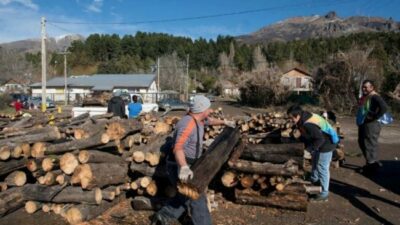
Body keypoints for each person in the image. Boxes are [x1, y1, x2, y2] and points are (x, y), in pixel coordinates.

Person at [151, 95, 236, 225]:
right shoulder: (187, 124)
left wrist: (224, 122)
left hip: (190, 164)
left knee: (183, 197)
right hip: (179, 165)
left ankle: (162, 217)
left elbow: (209, 120)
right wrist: (184, 167)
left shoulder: (199, 118)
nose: (210, 110)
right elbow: (178, 148)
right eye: (208, 108)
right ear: (201, 109)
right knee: (196, 198)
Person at [287, 105, 339, 202]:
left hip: (327, 143)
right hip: (319, 142)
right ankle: (314, 179)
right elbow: (308, 135)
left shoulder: (308, 124)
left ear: (297, 116)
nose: (290, 120)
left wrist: (309, 150)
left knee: (322, 167)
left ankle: (324, 194)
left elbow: (320, 139)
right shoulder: (303, 118)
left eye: (291, 118)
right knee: (315, 161)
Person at [356, 80, 388, 175]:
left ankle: (371, 167)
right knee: (362, 142)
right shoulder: (366, 97)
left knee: (369, 144)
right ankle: (371, 163)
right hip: (364, 123)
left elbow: (384, 107)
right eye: (363, 87)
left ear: (372, 87)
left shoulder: (375, 96)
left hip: (372, 124)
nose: (364, 89)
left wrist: (374, 117)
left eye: (366, 87)